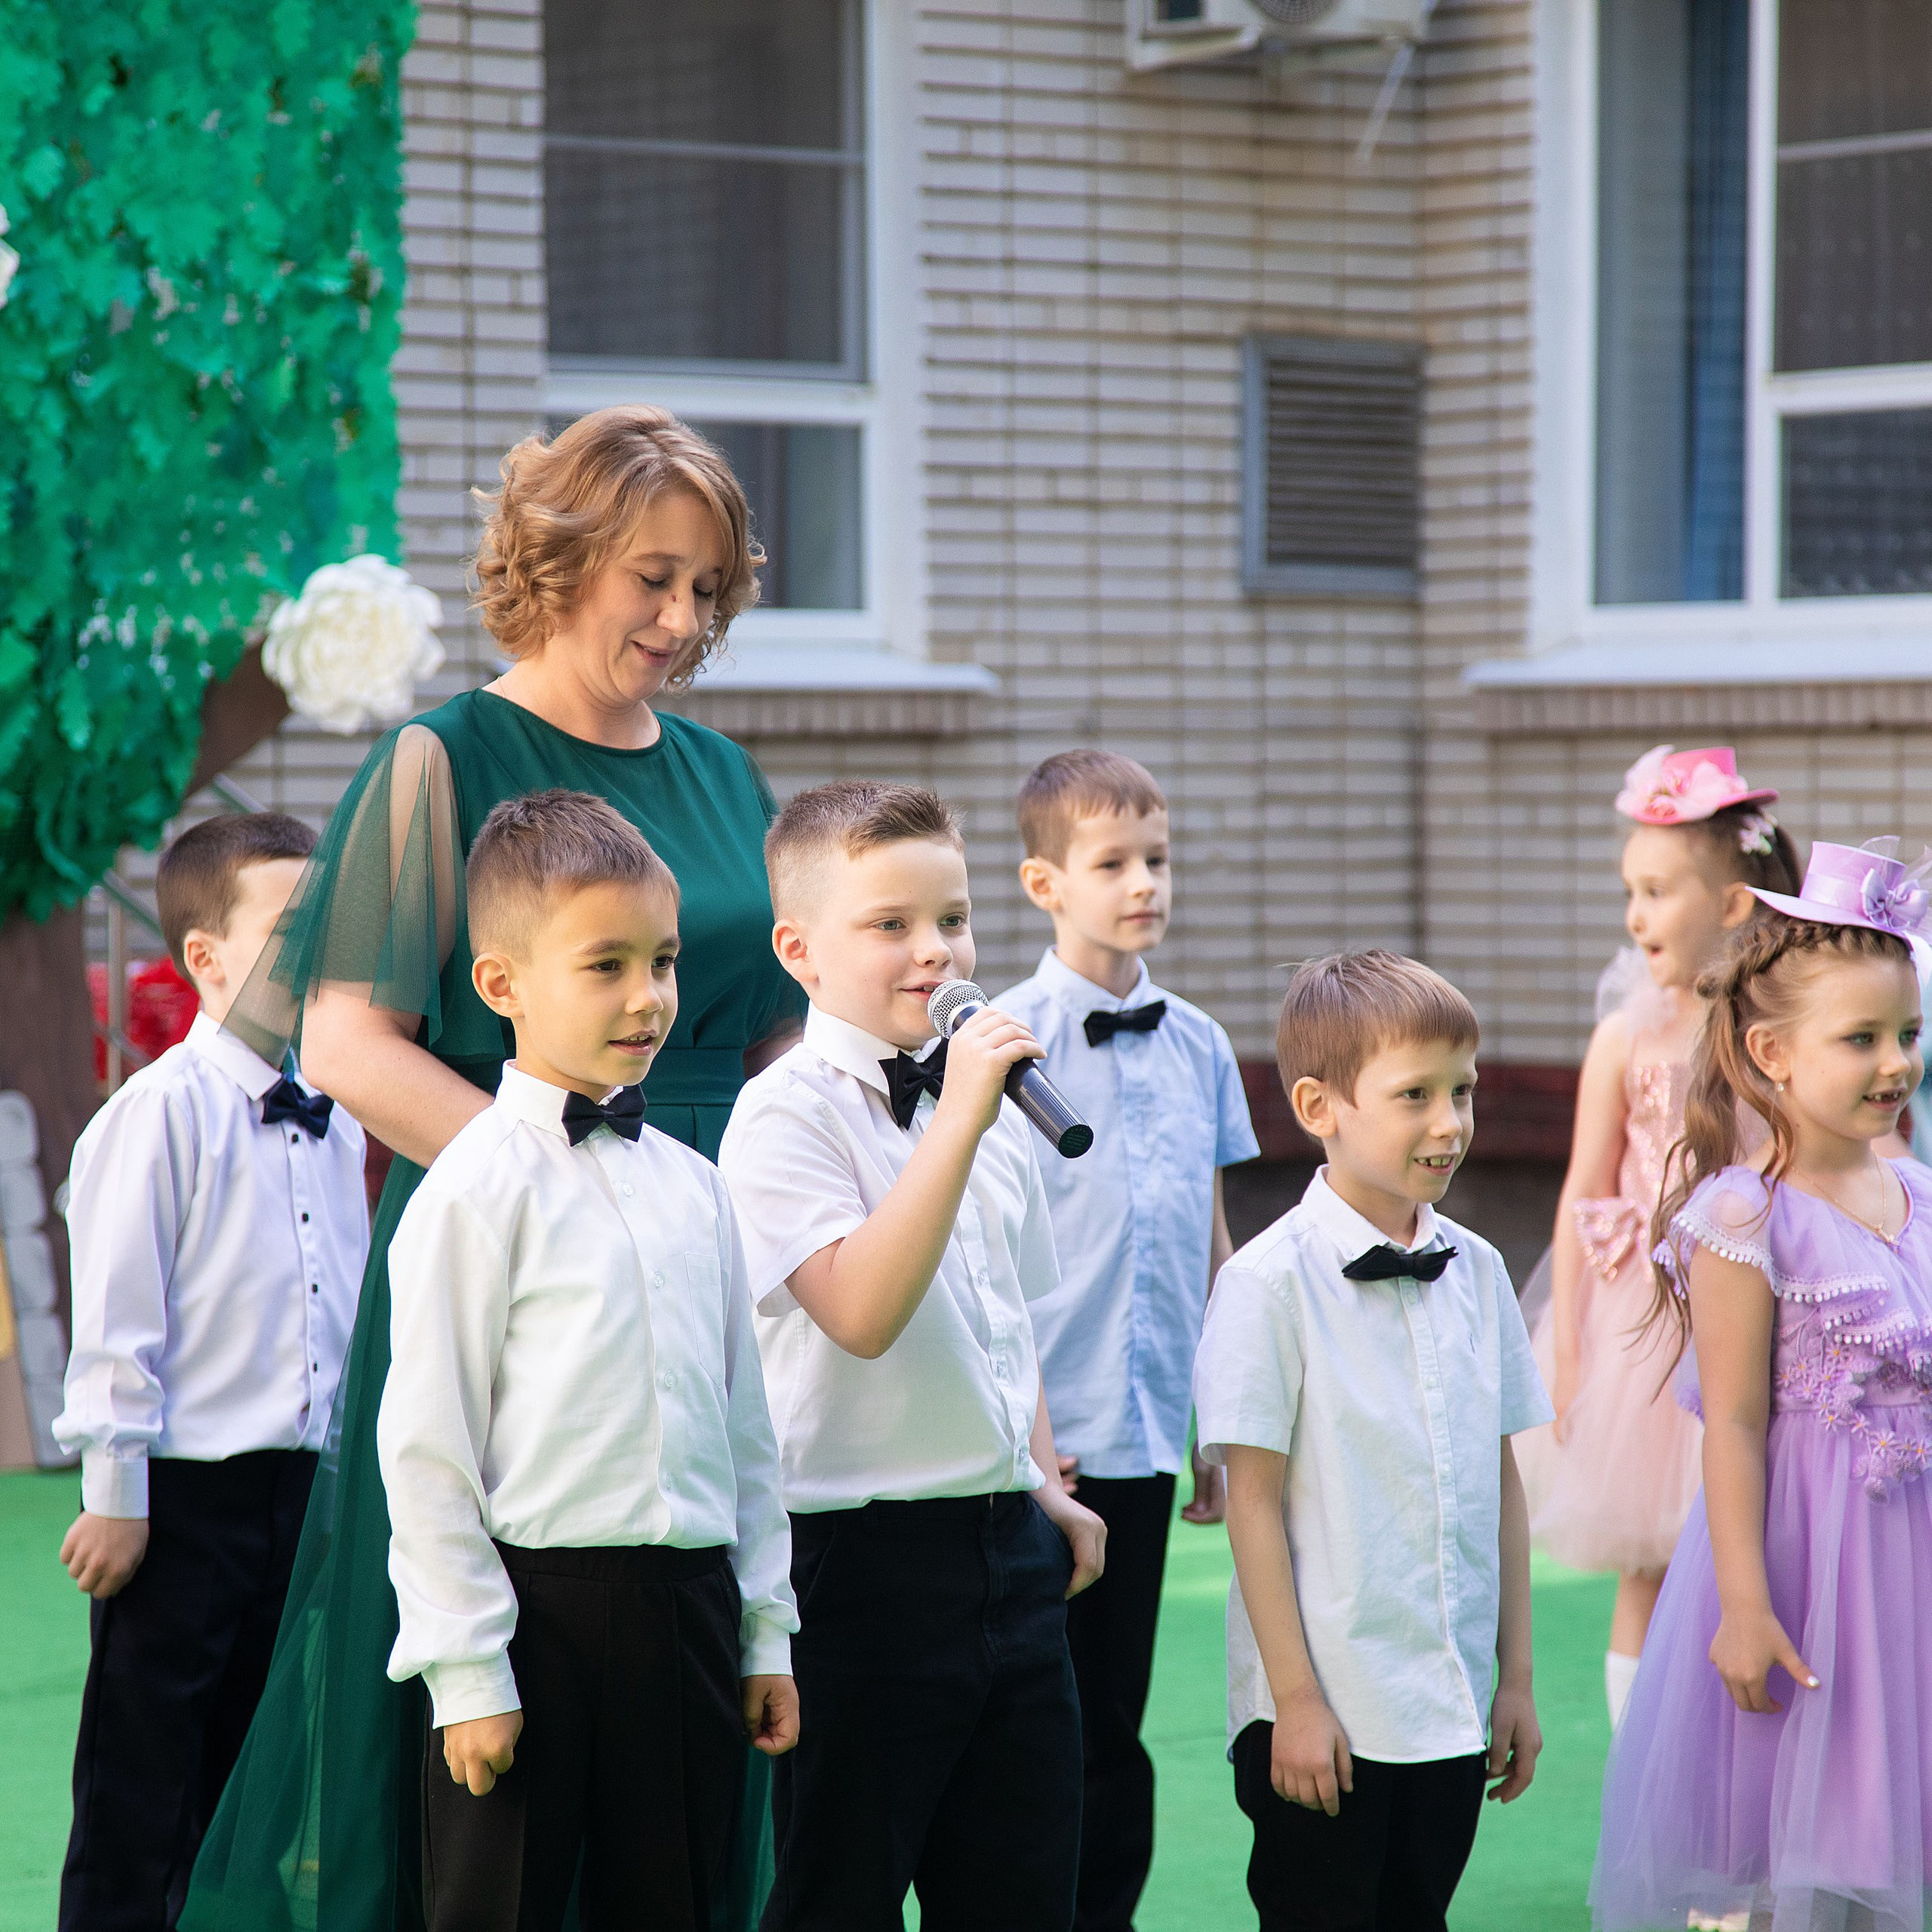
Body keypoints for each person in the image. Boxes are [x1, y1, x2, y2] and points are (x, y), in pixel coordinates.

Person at [182, 408, 805, 1932]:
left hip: (704, 1252)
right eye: (651, 579)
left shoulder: (727, 777)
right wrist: (556, 1187)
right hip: (505, 1251)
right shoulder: (440, 757)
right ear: (563, 556)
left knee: (694, 1707)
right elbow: (342, 1039)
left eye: (708, 592)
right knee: (493, 1749)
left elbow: (781, 1037)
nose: (681, 620)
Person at [377, 791, 797, 1932]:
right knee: (498, 1908)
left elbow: (743, 1427)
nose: (646, 996)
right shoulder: (471, 1191)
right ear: (502, 984)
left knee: (676, 1905)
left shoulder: (696, 1186)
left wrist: (764, 1627)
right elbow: (428, 1449)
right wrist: (469, 1672)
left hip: (692, 1611)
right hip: (535, 1615)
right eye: (603, 965)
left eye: (660, 961)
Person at [718, 779, 1106, 1932]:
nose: (935, 953)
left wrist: (1039, 1482)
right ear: (800, 949)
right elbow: (863, 1311)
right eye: (889, 926)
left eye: (953, 920)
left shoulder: (981, 1115)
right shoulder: (786, 1115)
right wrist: (956, 1123)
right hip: (855, 1569)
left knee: (1025, 1888)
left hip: (1004, 1551)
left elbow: (1004, 1319)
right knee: (838, 1892)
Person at [1593, 840, 1932, 1932]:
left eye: (1909, 1036)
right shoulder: (1745, 1218)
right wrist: (1745, 1604)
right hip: (1810, 1565)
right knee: (1813, 1850)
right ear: (1772, 1053)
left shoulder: (1921, 1191)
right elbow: (1733, 1427)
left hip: (1912, 1563)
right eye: (1862, 1039)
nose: (1895, 1064)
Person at [53, 812, 369, 1932]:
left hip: (297, 1499)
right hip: (184, 1504)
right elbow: (120, 1324)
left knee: (259, 1772)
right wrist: (117, 1497)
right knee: (144, 1782)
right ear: (206, 957)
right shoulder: (156, 1118)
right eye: (294, 927)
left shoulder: (334, 1118)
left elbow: (340, 1305)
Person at [1194, 949, 1549, 1932]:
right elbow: (1253, 1509)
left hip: (1447, 1704)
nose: (1451, 1123)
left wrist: (1513, 1680)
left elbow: (1503, 1485)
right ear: (1321, 1106)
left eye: (1463, 1091)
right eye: (1415, 1095)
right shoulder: (1266, 1285)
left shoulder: (1479, 1271)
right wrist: (1296, 1702)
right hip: (1328, 1715)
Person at [994, 748, 1258, 1932]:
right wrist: (1020, 1428)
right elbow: (988, 1256)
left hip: (1147, 1435)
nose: (1144, 881)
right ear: (1044, 882)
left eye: (1157, 858)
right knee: (1023, 1711)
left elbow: (1212, 1239)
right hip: (1043, 1440)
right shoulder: (1005, 1045)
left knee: (1114, 1713)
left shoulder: (1199, 1041)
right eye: (1114, 863)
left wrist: (1216, 1421)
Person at [1515, 744, 1801, 1727]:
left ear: (1730, 904)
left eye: (1659, 890)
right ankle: (1649, 1769)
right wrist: (1567, 1351)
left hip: (1763, 1312)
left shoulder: (1775, 1032)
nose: (1636, 915)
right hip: (1647, 1334)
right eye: (1629, 891)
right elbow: (1585, 1190)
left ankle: (1743, 1785)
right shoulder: (1626, 1035)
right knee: (1652, 1562)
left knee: (1755, 1549)